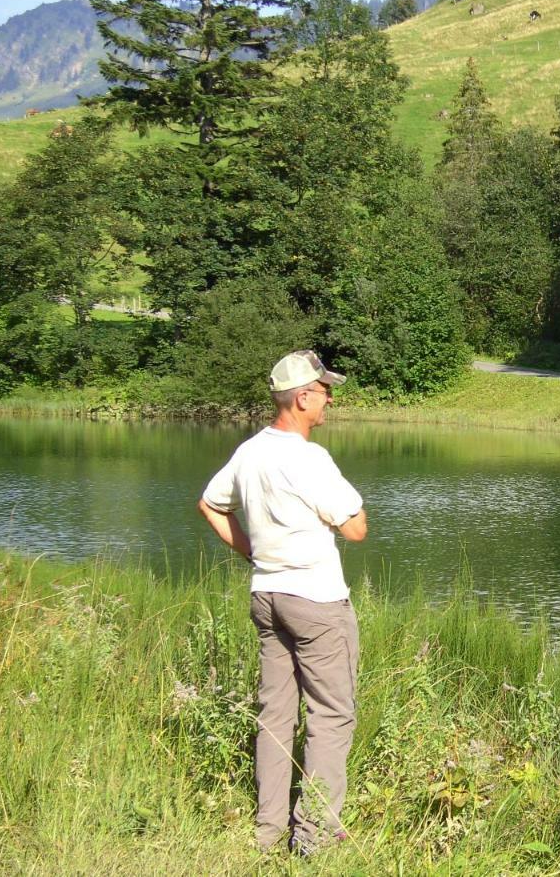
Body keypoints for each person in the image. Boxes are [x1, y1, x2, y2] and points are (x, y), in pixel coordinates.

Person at [197, 349, 368, 854]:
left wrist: (255, 552)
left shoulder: (250, 451)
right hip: (316, 601)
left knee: (275, 715)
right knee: (331, 715)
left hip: (267, 597)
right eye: (324, 390)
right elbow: (355, 529)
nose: (330, 398)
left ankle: (267, 832)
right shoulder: (308, 457)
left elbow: (210, 504)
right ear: (301, 398)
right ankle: (314, 839)